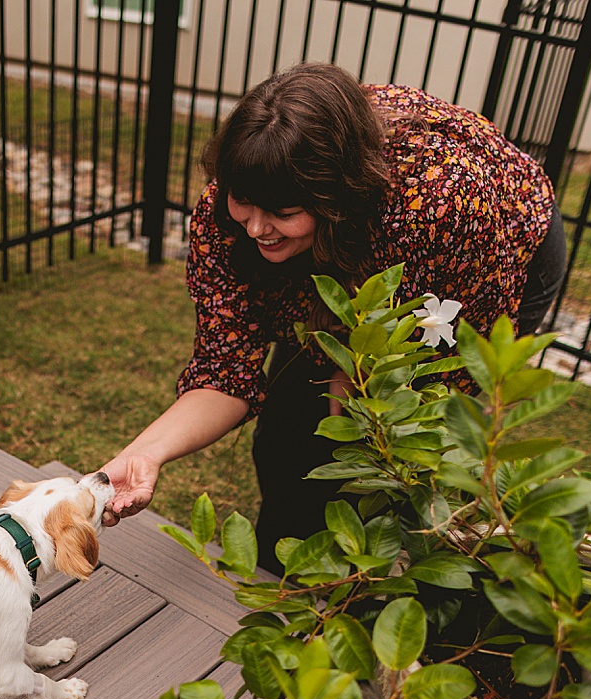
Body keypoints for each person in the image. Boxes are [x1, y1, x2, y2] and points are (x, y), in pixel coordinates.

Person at [98, 62, 567, 573]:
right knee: (285, 438)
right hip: (349, 240)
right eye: (244, 202)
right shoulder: (232, 210)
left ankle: (364, 579)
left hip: (489, 246)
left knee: (383, 450)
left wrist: (351, 431)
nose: (255, 228)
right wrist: (143, 456)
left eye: (281, 212)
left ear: (336, 197)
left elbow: (390, 379)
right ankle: (284, 573)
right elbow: (225, 371)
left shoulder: (440, 205)